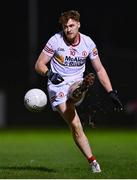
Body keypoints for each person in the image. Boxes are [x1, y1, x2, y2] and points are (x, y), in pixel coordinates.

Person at [35, 10, 123, 173]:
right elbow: (39, 64)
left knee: (76, 88)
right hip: (57, 86)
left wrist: (111, 92)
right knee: (75, 125)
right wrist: (49, 73)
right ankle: (93, 161)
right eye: (65, 26)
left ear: (78, 25)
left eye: (71, 25)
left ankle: (81, 88)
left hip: (76, 81)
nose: (68, 29)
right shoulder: (55, 40)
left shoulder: (88, 43)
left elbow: (100, 69)